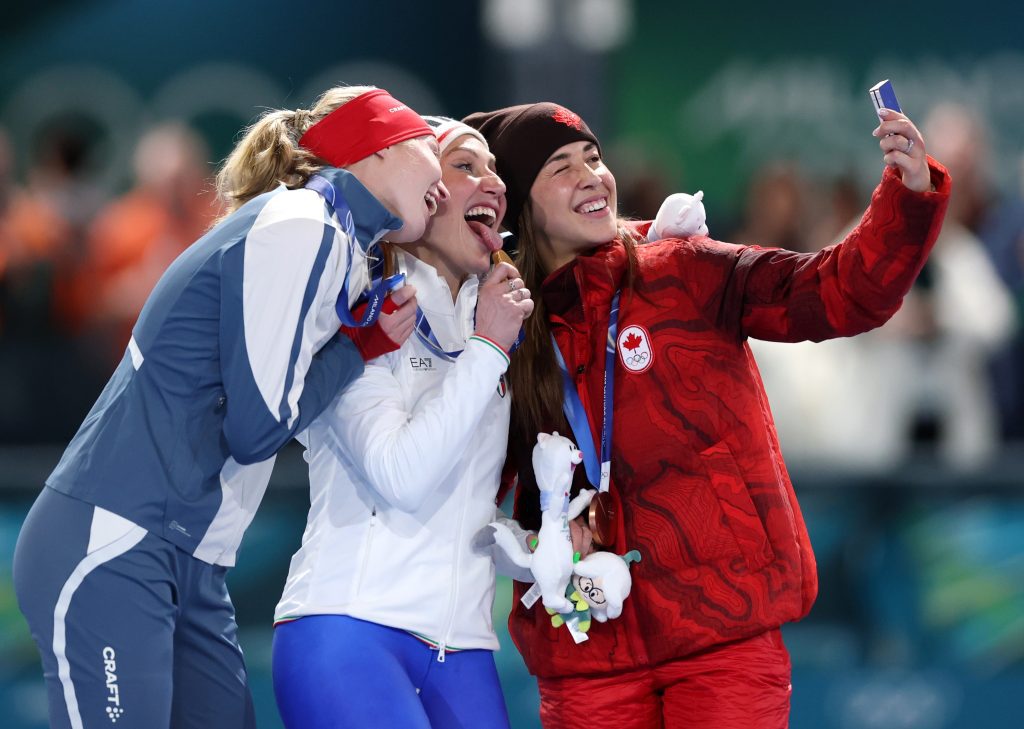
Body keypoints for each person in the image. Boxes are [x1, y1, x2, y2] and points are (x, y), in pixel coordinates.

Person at [463, 101, 951, 727]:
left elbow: (839, 292)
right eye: (561, 167)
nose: (592, 176)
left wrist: (906, 197)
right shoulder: (502, 326)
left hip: (723, 627)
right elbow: (468, 486)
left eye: (593, 157)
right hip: (585, 639)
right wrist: (533, 545)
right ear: (521, 207)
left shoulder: (684, 271)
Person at [12, 85, 448, 729]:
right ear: (375, 148)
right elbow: (257, 427)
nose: (440, 170)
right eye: (426, 144)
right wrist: (361, 347)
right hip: (114, 539)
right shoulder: (304, 223)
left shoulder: (337, 243)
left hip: (193, 558)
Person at [270, 117, 534, 729]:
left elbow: (457, 486)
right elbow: (400, 475)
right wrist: (489, 350)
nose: (493, 183)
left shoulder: (492, 315)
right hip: (349, 629)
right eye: (466, 165)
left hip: (463, 647)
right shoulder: (362, 305)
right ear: (419, 194)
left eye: (495, 170)